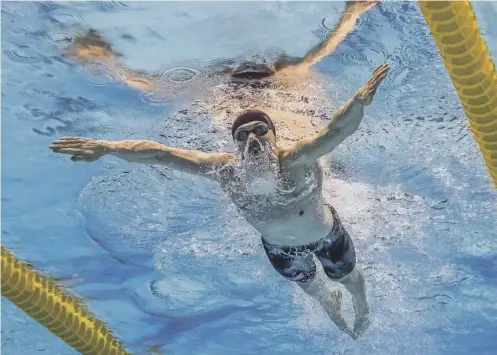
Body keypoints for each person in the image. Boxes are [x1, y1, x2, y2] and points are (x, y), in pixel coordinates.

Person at [50, 61, 389, 338]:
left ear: (273, 134)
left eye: (259, 130)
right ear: (235, 143)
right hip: (279, 250)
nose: (252, 139)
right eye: (242, 135)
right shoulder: (226, 171)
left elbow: (336, 131)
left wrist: (358, 102)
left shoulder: (298, 158)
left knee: (349, 280)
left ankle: (363, 307)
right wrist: (108, 147)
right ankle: (329, 304)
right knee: (314, 290)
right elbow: (161, 155)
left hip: (326, 235)